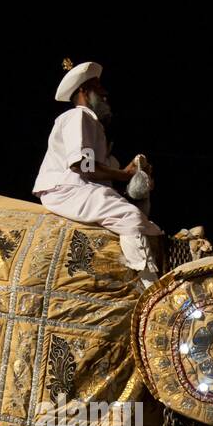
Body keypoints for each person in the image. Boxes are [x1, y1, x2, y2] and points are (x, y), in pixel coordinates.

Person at [33, 60, 163, 277]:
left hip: (80, 189)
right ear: (84, 91)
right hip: (65, 189)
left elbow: (97, 170)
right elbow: (81, 165)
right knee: (129, 218)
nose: (105, 93)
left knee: (143, 221)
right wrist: (123, 174)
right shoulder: (78, 116)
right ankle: (150, 288)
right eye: (98, 87)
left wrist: (133, 173)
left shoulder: (94, 126)